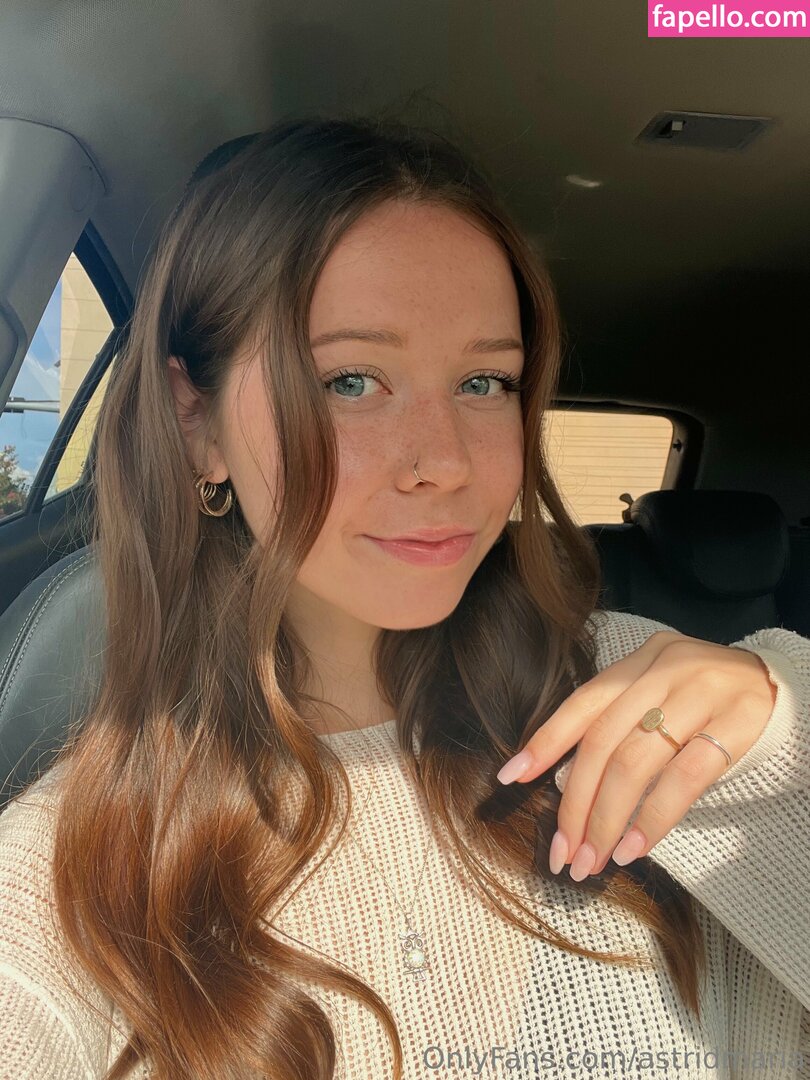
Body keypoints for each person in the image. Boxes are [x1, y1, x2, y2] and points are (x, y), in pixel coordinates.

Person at [0, 113, 808, 1080]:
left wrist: (780, 739)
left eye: (485, 381)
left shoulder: (642, 694)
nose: (445, 462)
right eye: (351, 380)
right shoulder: (65, 874)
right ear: (195, 423)